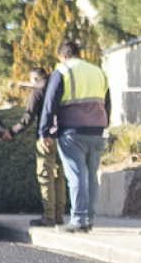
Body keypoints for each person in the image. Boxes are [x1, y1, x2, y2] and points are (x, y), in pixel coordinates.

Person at [38, 40, 109, 233]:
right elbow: (106, 102)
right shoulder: (98, 72)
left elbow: (49, 103)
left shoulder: (62, 71)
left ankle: (78, 220)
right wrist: (104, 125)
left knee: (76, 175)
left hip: (72, 131)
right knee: (92, 176)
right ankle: (88, 219)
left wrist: (44, 132)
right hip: (97, 130)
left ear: (62, 55)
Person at [4, 67, 67, 227]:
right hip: (64, 136)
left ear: (34, 79)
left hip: (46, 138)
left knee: (46, 177)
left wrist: (12, 132)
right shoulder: (61, 85)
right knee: (59, 177)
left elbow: (29, 116)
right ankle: (59, 216)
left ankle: (48, 217)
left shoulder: (37, 90)